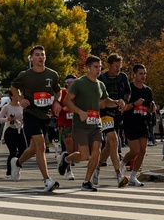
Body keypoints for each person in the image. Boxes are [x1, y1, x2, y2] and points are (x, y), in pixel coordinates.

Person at [62, 56, 127, 191]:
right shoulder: (79, 83)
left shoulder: (100, 84)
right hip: (81, 124)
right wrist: (80, 112)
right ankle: (66, 159)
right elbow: (67, 101)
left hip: (96, 124)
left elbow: (105, 101)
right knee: (84, 155)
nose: (99, 69)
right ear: (88, 68)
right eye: (96, 67)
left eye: (100, 67)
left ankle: (87, 181)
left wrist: (116, 102)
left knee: (96, 152)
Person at [9, 45, 61, 193]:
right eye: (37, 55)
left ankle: (17, 162)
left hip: (45, 114)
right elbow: (13, 87)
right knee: (41, 145)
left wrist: (57, 101)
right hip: (30, 113)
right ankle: (47, 180)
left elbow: (58, 92)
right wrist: (20, 99)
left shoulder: (52, 74)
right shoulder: (25, 75)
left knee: (33, 149)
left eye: (42, 55)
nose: (40, 57)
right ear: (31, 58)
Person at [95, 53, 130, 187]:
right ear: (109, 65)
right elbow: (97, 95)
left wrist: (125, 102)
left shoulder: (123, 77)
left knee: (110, 145)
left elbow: (127, 92)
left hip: (118, 113)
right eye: (115, 66)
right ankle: (118, 174)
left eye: (119, 66)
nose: (118, 69)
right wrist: (99, 102)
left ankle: (97, 168)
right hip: (105, 113)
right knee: (114, 140)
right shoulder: (101, 78)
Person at [120, 63, 154, 186]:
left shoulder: (147, 90)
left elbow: (148, 108)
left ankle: (133, 177)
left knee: (143, 151)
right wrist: (135, 103)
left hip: (143, 122)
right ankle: (122, 163)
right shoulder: (128, 89)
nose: (143, 76)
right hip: (130, 122)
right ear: (134, 74)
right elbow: (123, 108)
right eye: (140, 73)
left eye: (144, 73)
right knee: (135, 150)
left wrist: (151, 109)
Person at [0, 93, 26, 180]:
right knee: (13, 151)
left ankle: (17, 165)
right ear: (11, 96)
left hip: (20, 130)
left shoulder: (22, 106)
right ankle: (9, 172)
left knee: (23, 150)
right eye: (16, 95)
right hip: (10, 130)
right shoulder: (7, 106)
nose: (18, 97)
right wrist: (8, 119)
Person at [55, 79, 77, 180]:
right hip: (63, 122)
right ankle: (69, 170)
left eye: (75, 81)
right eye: (70, 81)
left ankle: (63, 159)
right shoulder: (61, 93)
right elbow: (55, 106)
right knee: (69, 142)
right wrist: (62, 108)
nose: (73, 83)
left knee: (75, 148)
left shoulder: (78, 93)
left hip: (76, 122)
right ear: (67, 83)